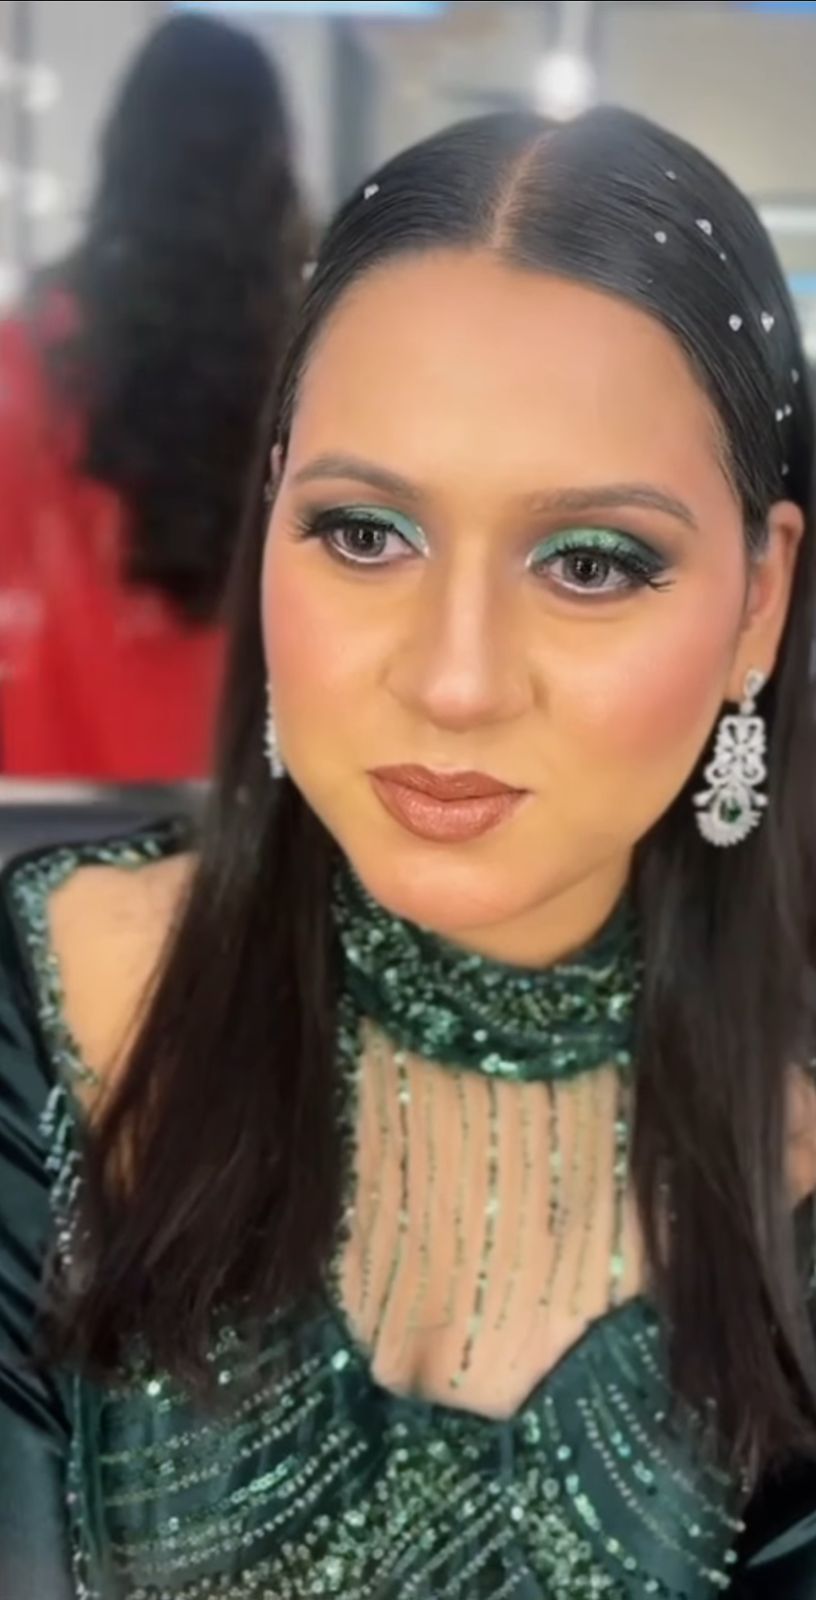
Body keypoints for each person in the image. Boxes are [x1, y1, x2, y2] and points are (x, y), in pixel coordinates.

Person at [1, 104, 816, 1600]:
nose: (454, 680)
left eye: (591, 562)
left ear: (757, 604)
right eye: (366, 533)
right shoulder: (35, 1003)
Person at [0, 13, 303, 781]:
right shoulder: (321, 367)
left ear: (119, 156)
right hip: (262, 811)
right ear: (272, 168)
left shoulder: (23, 364)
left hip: (45, 810)